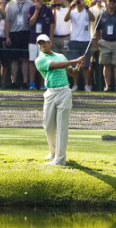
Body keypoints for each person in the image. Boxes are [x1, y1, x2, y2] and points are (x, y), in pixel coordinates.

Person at [35, 34, 84, 166]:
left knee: (62, 126)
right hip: (50, 93)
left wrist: (78, 66)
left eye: (44, 42)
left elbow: (72, 73)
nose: (42, 45)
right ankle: (53, 152)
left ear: (50, 43)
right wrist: (75, 60)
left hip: (64, 91)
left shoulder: (61, 56)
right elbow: (56, 66)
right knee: (48, 126)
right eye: (40, 44)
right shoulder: (40, 59)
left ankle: (60, 158)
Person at [63, 0, 94, 91]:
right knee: (74, 65)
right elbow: (65, 19)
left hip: (85, 41)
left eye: (80, 0)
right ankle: (75, 85)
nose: (79, 2)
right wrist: (70, 7)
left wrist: (86, 7)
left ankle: (86, 85)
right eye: (77, 0)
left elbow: (92, 19)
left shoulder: (87, 11)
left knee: (85, 66)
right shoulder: (72, 12)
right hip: (74, 41)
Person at [4, 0, 33, 88]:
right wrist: (7, 36)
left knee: (25, 59)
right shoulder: (9, 5)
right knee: (14, 59)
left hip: (25, 33)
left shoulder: (30, 4)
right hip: (14, 33)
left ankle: (25, 82)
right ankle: (14, 82)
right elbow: (7, 21)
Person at [27, 0, 54, 90]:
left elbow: (52, 24)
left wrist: (50, 39)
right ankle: (32, 83)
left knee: (44, 61)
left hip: (44, 41)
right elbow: (30, 23)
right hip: (33, 39)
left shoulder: (48, 9)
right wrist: (37, 11)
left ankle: (44, 83)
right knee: (32, 61)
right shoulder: (31, 8)